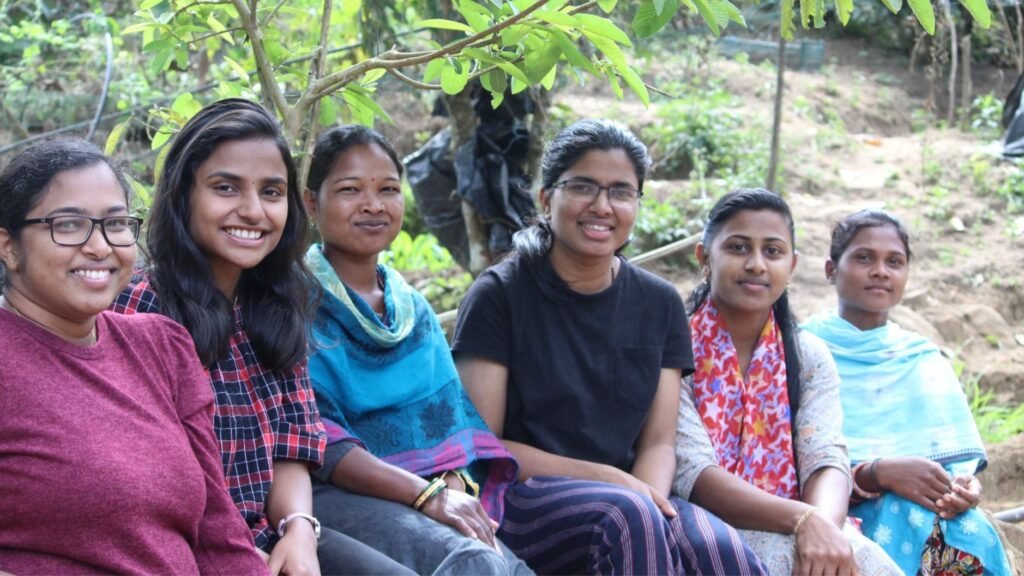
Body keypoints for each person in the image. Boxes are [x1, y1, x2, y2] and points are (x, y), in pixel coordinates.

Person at [452, 119, 767, 575]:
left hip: (632, 496)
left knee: (723, 553)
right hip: (520, 496)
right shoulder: (500, 295)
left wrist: (649, 498)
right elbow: (485, 448)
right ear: (546, 198)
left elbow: (659, 441)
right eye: (583, 187)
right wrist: (614, 484)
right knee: (628, 519)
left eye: (621, 192)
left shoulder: (659, 302)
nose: (602, 206)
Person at [111, 99, 405, 576]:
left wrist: (299, 530)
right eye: (226, 188)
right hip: (187, 549)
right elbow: (147, 481)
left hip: (269, 532)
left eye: (271, 192)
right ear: (183, 194)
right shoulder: (142, 309)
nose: (252, 211)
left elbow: (292, 440)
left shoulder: (272, 300)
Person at [0, 139, 266, 574]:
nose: (100, 246)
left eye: (116, 223)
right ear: (9, 246)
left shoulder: (162, 346)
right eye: (69, 225)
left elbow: (218, 528)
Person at [301, 124, 530, 574]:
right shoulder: (293, 304)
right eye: (350, 190)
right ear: (312, 203)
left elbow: (449, 422)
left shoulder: (413, 310)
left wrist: (450, 482)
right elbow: (322, 440)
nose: (373, 205)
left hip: (428, 490)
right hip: (333, 495)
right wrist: (427, 495)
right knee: (473, 563)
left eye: (388, 189)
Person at [673, 188, 900, 575]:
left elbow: (825, 459)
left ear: (792, 265)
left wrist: (824, 530)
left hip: (802, 515)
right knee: (779, 561)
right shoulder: (672, 348)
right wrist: (802, 523)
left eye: (773, 251)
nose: (757, 264)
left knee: (868, 563)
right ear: (704, 256)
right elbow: (694, 473)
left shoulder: (807, 355)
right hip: (700, 523)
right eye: (739, 248)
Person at [803, 209, 1012, 575]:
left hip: (926, 512)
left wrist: (963, 489)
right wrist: (876, 473)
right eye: (864, 257)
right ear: (830, 270)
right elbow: (782, 463)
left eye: (894, 262)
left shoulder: (922, 359)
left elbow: (952, 468)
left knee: (974, 535)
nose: (881, 270)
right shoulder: (802, 350)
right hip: (829, 510)